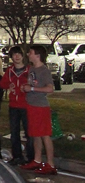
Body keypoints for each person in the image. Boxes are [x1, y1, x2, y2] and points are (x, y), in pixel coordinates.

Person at [19, 45, 57, 174]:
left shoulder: (44, 71)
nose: (28, 54)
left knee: (45, 134)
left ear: (37, 55)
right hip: (31, 105)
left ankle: (50, 164)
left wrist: (32, 89)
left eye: (30, 52)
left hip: (40, 106)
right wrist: (26, 87)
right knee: (35, 134)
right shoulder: (32, 69)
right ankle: (37, 159)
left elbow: (50, 88)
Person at [0, 46, 34, 165]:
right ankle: (17, 156)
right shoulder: (10, 71)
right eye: (14, 54)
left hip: (27, 105)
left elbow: (36, 84)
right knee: (14, 132)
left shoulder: (29, 70)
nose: (17, 56)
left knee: (29, 132)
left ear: (23, 56)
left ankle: (31, 157)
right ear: (11, 57)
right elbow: (2, 84)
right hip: (14, 105)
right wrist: (9, 85)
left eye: (19, 54)